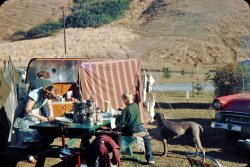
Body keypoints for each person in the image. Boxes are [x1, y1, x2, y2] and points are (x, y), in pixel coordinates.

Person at [116, 91, 155, 164]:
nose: (123, 101)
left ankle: (118, 150)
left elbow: (122, 122)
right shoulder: (136, 105)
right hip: (140, 128)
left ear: (125, 99)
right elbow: (132, 112)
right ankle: (150, 159)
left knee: (118, 131)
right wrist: (124, 111)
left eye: (122, 100)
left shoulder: (126, 109)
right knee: (147, 138)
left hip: (132, 130)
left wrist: (118, 118)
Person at [22, 85, 56, 164]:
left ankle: (33, 153)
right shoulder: (35, 94)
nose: (50, 98)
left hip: (33, 113)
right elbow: (27, 109)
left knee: (34, 134)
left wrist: (50, 114)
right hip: (25, 114)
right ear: (47, 92)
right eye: (50, 96)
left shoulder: (46, 95)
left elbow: (49, 103)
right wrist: (41, 117)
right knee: (27, 135)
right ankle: (28, 156)